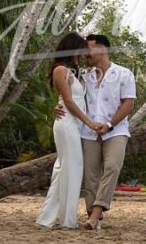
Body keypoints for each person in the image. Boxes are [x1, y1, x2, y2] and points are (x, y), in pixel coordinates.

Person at [54, 33, 136, 230]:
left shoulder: (124, 74)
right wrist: (56, 107)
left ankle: (97, 212)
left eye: (88, 49)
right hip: (88, 132)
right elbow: (69, 96)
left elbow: (128, 104)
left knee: (113, 166)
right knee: (90, 177)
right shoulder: (83, 76)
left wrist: (109, 124)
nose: (85, 53)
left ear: (102, 49)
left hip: (115, 131)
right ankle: (93, 217)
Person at [36, 33, 106, 229]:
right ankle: (66, 220)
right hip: (67, 123)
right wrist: (90, 122)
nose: (85, 52)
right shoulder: (60, 70)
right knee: (72, 168)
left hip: (75, 125)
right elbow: (68, 101)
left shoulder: (75, 72)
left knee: (64, 169)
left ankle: (48, 218)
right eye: (82, 48)